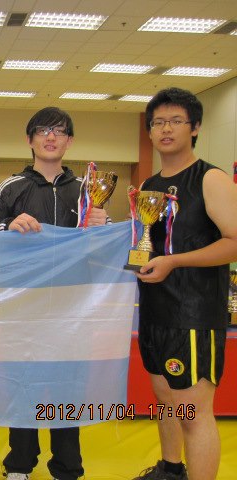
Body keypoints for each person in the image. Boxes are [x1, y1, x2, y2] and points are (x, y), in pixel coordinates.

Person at [0, 107, 108, 480]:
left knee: (68, 388)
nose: (51, 136)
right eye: (43, 130)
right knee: (23, 385)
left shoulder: (87, 189)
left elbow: (104, 246)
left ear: (70, 141)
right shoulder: (11, 186)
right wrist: (8, 224)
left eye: (59, 131)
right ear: (30, 139)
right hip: (22, 306)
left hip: (72, 307)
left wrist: (103, 225)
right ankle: (19, 463)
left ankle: (68, 467)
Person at [131, 88, 237, 480]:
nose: (166, 129)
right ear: (149, 131)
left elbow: (235, 241)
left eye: (176, 121)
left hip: (193, 315)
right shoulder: (150, 184)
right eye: (158, 122)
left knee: (194, 414)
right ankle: (171, 469)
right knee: (165, 400)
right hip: (155, 309)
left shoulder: (211, 178)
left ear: (195, 128)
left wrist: (175, 261)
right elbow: (150, 244)